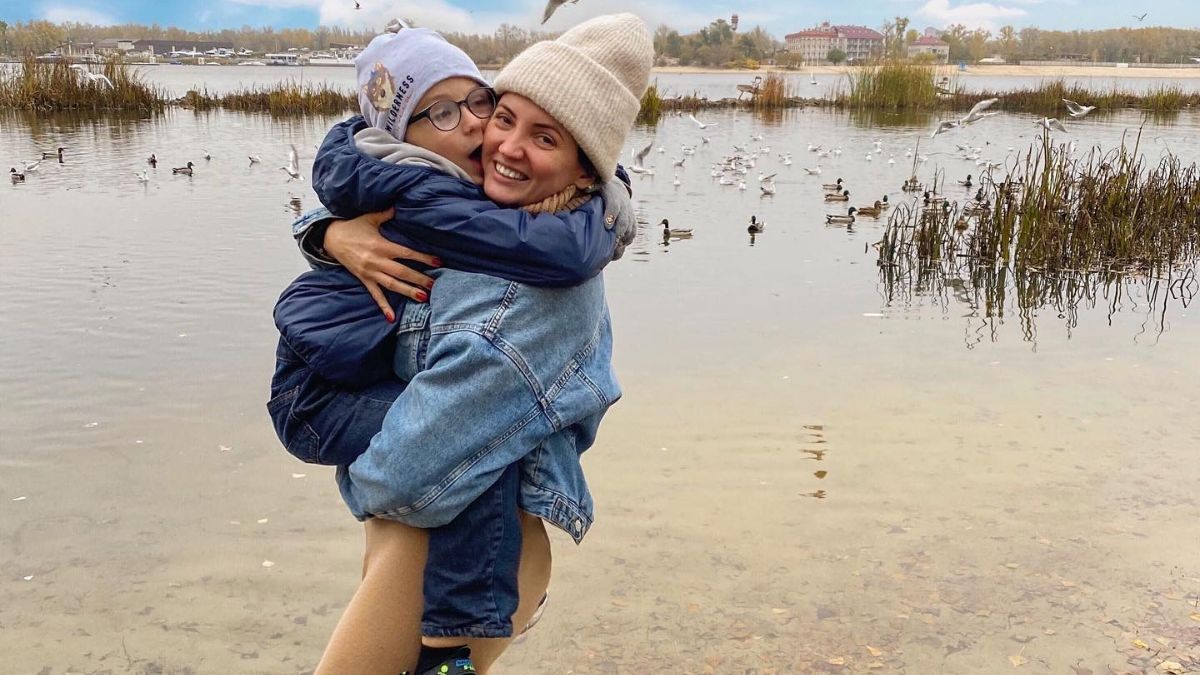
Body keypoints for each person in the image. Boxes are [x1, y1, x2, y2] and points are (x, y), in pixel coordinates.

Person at [271, 14, 653, 675]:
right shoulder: (488, 205)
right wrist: (328, 232)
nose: (498, 142)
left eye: (545, 137)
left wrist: (359, 482)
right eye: (501, 115)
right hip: (426, 532)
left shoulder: (542, 290)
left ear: (585, 166)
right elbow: (388, 175)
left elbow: (410, 466)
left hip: (461, 553)